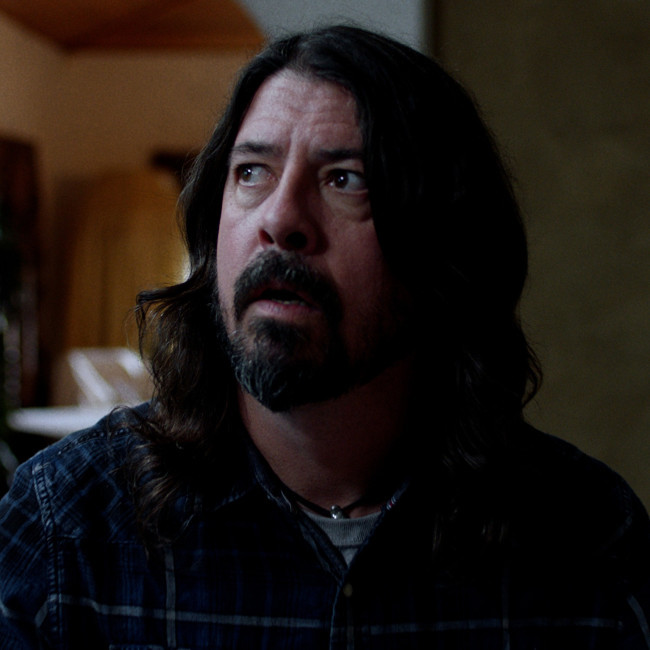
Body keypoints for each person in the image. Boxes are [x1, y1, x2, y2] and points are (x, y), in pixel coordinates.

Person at [1, 25, 649, 649]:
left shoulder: (590, 539)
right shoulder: (67, 527)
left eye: (346, 179)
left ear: (445, 245)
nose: (280, 218)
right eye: (251, 172)